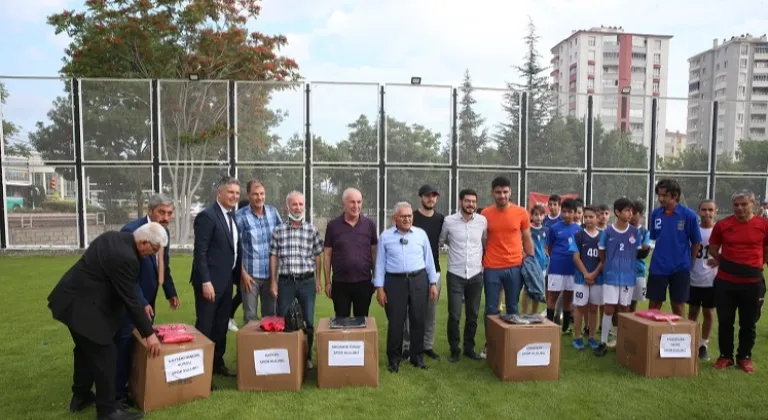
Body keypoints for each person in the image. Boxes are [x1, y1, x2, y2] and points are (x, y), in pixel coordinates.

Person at [48, 223, 165, 420]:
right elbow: (130, 299)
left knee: (85, 351)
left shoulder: (114, 237)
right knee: (106, 354)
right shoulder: (127, 257)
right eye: (153, 250)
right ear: (144, 241)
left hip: (70, 299)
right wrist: (150, 334)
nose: (152, 255)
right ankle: (107, 411)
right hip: (82, 306)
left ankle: (81, 396)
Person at [114, 194, 179, 408]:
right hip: (129, 301)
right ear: (150, 211)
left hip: (149, 300)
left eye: (169, 213)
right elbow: (127, 276)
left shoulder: (164, 233)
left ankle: (137, 384)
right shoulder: (131, 231)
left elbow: (163, 266)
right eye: (162, 212)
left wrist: (171, 292)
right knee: (125, 343)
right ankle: (118, 393)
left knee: (143, 344)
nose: (166, 217)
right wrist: (141, 301)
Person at [374, 202, 439, 373]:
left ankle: (417, 357)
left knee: (418, 319)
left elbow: (429, 261)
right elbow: (380, 264)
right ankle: (394, 359)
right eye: (403, 216)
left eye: (409, 216)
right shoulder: (386, 237)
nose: (407, 219)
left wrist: (432, 283)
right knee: (396, 322)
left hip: (419, 280)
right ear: (395, 218)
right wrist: (379, 288)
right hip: (395, 283)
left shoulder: (421, 235)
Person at [710, 190, 768, 373]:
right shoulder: (723, 225)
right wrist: (724, 263)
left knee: (748, 322)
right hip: (725, 282)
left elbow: (766, 250)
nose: (740, 208)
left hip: (752, 283)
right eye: (736, 204)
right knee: (725, 321)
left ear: (753, 204)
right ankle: (725, 356)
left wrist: (756, 264)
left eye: (744, 204)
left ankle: (745, 357)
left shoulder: (763, 225)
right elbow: (713, 248)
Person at [190, 176, 241, 378]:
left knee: (221, 325)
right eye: (230, 192)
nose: (234, 196)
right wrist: (206, 281)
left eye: (237, 193)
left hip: (226, 281)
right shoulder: (207, 216)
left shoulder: (231, 216)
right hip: (209, 283)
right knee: (206, 326)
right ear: (219, 192)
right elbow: (200, 251)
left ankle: (217, 364)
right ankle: (200, 372)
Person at [480, 176, 534, 358]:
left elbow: (527, 238)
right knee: (490, 309)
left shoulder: (521, 213)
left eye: (505, 192)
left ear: (510, 192)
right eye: (498, 192)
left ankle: (511, 345)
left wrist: (532, 259)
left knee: (512, 307)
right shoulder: (485, 214)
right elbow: (483, 240)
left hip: (514, 268)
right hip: (492, 267)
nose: (502, 195)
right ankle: (491, 345)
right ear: (492, 193)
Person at [269, 191, 324, 369]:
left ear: (304, 207)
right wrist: (273, 281)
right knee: (283, 319)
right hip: (286, 281)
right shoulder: (279, 230)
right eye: (294, 204)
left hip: (307, 281)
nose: (298, 208)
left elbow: (318, 256)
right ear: (287, 207)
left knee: (308, 319)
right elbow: (274, 256)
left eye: (301, 204)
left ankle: (307, 357)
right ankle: (285, 357)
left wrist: (318, 280)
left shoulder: (311, 229)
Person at [439, 189, 487, 363]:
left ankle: (469, 348)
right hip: (455, 274)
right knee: (454, 315)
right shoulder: (449, 221)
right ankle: (454, 349)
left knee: (473, 314)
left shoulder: (482, 221)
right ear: (461, 202)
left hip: (476, 274)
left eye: (474, 201)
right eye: (467, 201)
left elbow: (484, 241)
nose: (471, 204)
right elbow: (443, 239)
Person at [595, 198, 643, 357]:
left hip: (628, 277)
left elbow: (637, 253)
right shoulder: (608, 232)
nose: (631, 214)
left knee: (624, 308)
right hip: (611, 276)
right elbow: (601, 252)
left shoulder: (635, 232)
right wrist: (609, 265)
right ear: (617, 212)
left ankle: (623, 341)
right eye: (627, 210)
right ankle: (602, 342)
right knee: (609, 307)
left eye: (632, 211)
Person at [647, 179, 702, 317]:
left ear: (675, 195)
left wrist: (691, 262)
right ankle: (651, 336)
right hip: (658, 266)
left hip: (680, 267)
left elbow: (696, 242)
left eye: (664, 195)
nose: (660, 199)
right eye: (659, 195)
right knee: (654, 305)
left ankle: (679, 337)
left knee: (678, 306)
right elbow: (654, 236)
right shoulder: (655, 214)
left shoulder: (689, 215)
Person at [404, 184, 445, 361]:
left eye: (434, 196)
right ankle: (407, 346)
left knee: (430, 312)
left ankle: (427, 345)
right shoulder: (411, 217)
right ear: (421, 197)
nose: (431, 199)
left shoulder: (441, 219)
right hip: (414, 272)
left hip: (434, 271)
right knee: (409, 312)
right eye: (428, 196)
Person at [323, 188, 378, 317]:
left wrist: (376, 278)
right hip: (340, 283)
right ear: (344, 204)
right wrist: (327, 282)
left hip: (364, 282)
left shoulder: (369, 225)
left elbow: (374, 253)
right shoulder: (333, 226)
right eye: (352, 202)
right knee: (341, 324)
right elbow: (327, 255)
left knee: (362, 322)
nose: (356, 206)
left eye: (359, 202)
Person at [236, 180, 281, 325]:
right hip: (250, 276)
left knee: (271, 317)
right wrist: (242, 274)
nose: (259, 197)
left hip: (271, 276)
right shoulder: (240, 216)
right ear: (248, 195)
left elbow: (282, 238)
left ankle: (269, 347)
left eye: (262, 194)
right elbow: (235, 248)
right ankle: (250, 348)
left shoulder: (273, 213)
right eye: (255, 194)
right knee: (250, 318)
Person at [688, 199, 718, 361]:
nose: (707, 213)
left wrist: (720, 260)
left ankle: (703, 345)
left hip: (711, 279)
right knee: (692, 311)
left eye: (710, 210)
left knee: (708, 312)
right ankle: (691, 341)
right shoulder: (694, 230)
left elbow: (728, 251)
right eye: (704, 210)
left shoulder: (718, 231)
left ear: (715, 212)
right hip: (693, 277)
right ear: (698, 211)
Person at [545, 198, 581, 332]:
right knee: (552, 296)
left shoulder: (579, 230)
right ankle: (549, 325)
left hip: (572, 268)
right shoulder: (554, 228)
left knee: (568, 298)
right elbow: (549, 247)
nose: (566, 215)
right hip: (556, 267)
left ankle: (565, 327)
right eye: (564, 212)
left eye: (569, 212)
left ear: (574, 213)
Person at [570, 205, 603, 350]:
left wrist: (594, 274)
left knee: (594, 308)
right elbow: (576, 257)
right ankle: (577, 337)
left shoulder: (603, 236)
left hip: (598, 279)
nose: (588, 219)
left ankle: (591, 337)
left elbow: (604, 259)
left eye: (591, 216)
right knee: (580, 308)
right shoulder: (578, 235)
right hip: (581, 279)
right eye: (586, 216)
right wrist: (586, 274)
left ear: (597, 218)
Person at [228, 198, 251, 331]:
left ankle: (228, 316)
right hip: (237, 265)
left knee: (242, 293)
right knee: (242, 293)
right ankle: (228, 317)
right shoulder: (235, 220)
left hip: (244, 264)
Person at [521, 204, 548, 314]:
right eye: (536, 215)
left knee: (539, 290)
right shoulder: (528, 229)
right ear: (531, 216)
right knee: (527, 289)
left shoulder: (546, 230)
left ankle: (534, 314)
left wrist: (546, 258)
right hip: (531, 264)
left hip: (542, 264)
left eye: (541, 215)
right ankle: (524, 313)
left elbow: (547, 246)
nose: (539, 217)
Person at [629, 199, 652, 313]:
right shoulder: (623, 229)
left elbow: (644, 253)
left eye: (634, 213)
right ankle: (618, 329)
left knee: (633, 304)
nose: (631, 216)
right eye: (629, 212)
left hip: (639, 272)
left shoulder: (645, 232)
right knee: (621, 304)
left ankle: (631, 329)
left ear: (641, 214)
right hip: (622, 271)